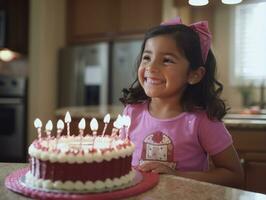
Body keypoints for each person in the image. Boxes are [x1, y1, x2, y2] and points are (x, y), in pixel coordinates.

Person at [119, 17, 244, 188]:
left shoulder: (202, 120)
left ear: (194, 75)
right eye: (147, 57)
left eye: (167, 60)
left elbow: (234, 175)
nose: (151, 67)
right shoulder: (131, 112)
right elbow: (120, 161)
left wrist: (177, 176)